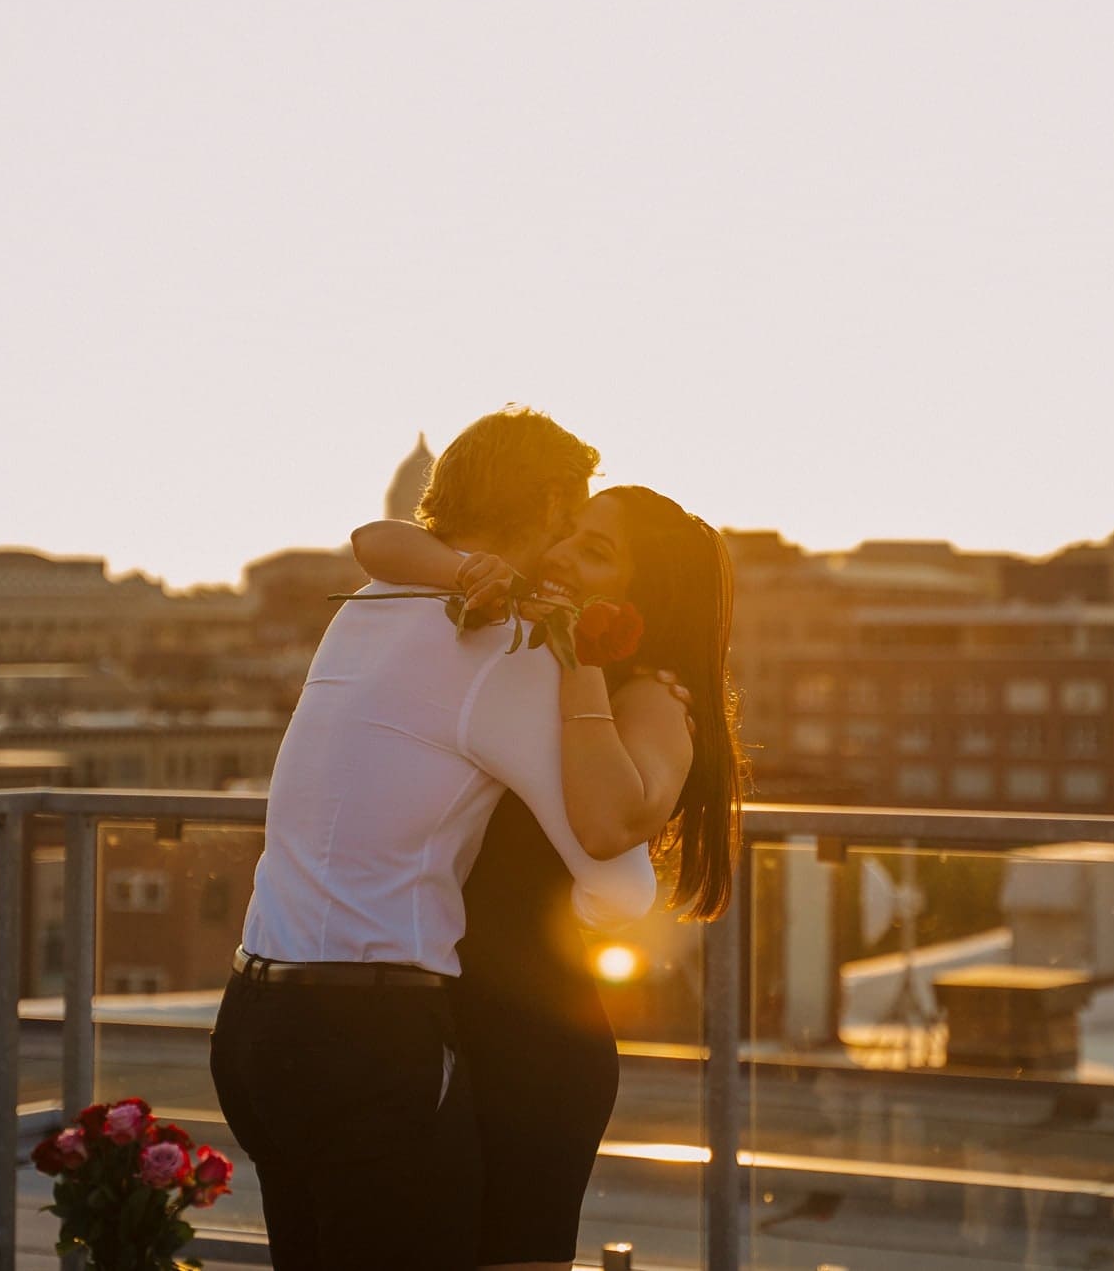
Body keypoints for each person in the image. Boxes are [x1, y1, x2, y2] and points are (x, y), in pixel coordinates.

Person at [209, 409, 657, 1271]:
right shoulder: (507, 645)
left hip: (255, 1023)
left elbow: (376, 542)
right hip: (369, 1039)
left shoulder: (368, 605)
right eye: (579, 515)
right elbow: (619, 886)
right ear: (557, 501)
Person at [350, 483, 747, 1270]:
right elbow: (372, 541)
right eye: (570, 532)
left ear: (646, 594)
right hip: (445, 1026)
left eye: (596, 550)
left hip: (534, 1049)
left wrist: (581, 652)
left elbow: (607, 823)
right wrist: (467, 569)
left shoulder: (657, 698)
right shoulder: (522, 634)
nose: (562, 554)